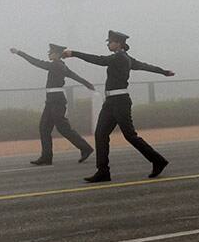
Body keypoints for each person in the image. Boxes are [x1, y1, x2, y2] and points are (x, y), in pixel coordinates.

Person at [63, 30, 173, 183]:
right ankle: (103, 171)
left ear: (118, 43)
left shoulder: (120, 57)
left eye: (110, 41)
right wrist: (163, 72)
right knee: (100, 134)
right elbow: (145, 66)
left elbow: (98, 60)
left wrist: (74, 53)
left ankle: (158, 160)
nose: (108, 44)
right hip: (110, 102)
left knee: (130, 136)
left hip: (120, 101)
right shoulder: (125, 58)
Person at [10, 43, 95, 165]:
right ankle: (46, 157)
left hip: (57, 100)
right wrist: (87, 84)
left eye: (51, 52)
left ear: (57, 54)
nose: (49, 54)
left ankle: (85, 148)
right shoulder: (60, 65)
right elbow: (75, 76)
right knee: (44, 128)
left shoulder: (57, 65)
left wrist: (19, 52)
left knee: (63, 128)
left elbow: (36, 62)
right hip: (51, 100)